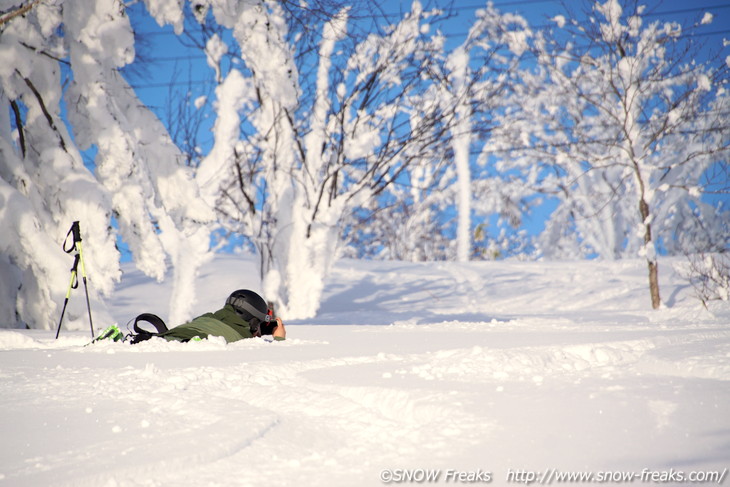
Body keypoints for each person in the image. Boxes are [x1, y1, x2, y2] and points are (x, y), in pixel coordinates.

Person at [95, 289, 286, 344]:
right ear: (252, 321)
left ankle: (117, 341)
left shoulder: (209, 316)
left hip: (175, 334)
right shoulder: (242, 339)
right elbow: (273, 362)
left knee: (156, 342)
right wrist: (278, 336)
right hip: (190, 342)